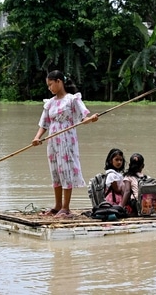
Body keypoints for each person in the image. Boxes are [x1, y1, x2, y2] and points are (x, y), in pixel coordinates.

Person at [32, 70, 98, 218]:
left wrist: (91, 119)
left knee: (65, 171)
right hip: (52, 141)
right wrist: (37, 138)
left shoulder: (72, 99)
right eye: (48, 85)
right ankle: (57, 206)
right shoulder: (50, 103)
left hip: (67, 140)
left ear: (59, 81)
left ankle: (65, 208)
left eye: (51, 84)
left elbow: (83, 118)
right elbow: (44, 123)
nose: (49, 88)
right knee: (55, 172)